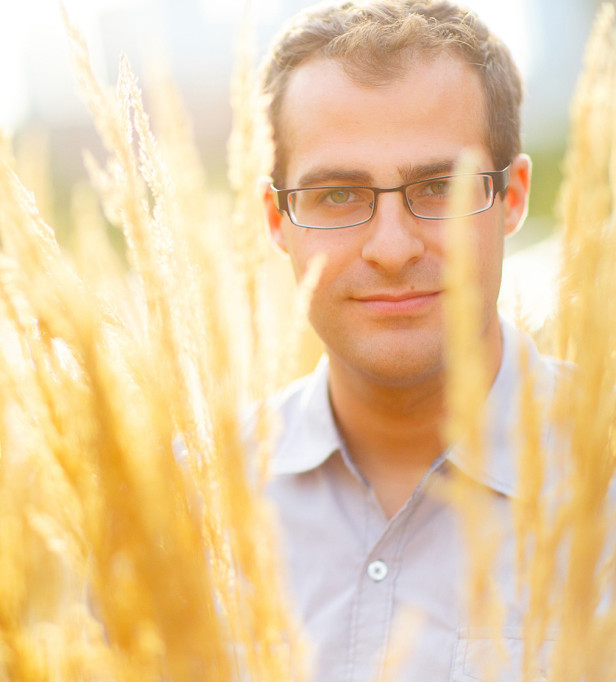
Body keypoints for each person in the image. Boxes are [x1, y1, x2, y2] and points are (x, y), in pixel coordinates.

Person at [254, 1, 565, 679]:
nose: (392, 249)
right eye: (338, 195)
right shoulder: (188, 500)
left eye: (438, 187)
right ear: (278, 219)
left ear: (512, 198)